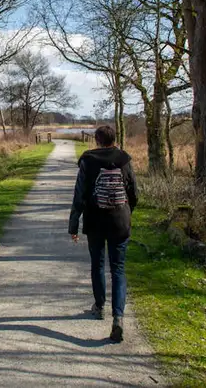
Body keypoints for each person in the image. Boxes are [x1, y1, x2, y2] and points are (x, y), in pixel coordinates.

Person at [69, 125, 138, 342]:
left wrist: (73, 225)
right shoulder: (124, 159)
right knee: (118, 269)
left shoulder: (88, 161)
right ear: (114, 139)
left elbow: (79, 195)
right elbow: (134, 193)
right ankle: (118, 318)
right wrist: (127, 213)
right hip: (120, 222)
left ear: (97, 140)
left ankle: (99, 306)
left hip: (95, 222)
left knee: (97, 264)